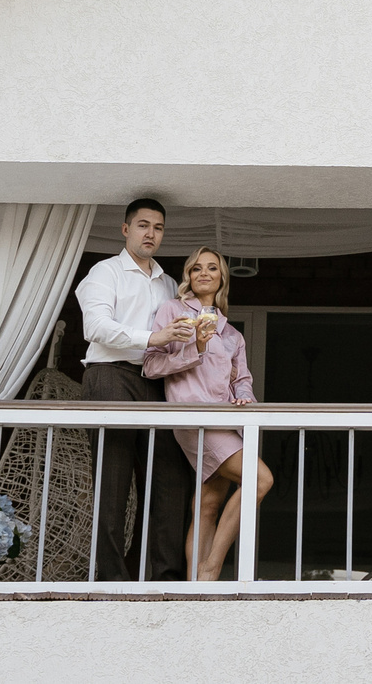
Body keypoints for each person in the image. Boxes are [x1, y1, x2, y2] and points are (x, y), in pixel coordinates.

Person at [73, 198, 190, 581]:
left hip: (157, 381)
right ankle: (109, 578)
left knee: (168, 480)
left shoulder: (170, 283)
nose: (150, 233)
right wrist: (153, 337)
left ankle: (164, 576)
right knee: (114, 478)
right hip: (110, 376)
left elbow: (176, 339)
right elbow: (96, 327)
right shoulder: (105, 272)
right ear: (126, 230)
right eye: (142, 225)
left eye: (157, 227)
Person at [144, 246, 273, 581]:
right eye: (196, 268)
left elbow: (242, 380)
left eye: (212, 268)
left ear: (221, 279)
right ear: (188, 276)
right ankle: (211, 567)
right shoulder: (171, 311)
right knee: (260, 479)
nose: (203, 273)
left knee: (208, 504)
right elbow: (152, 365)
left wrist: (244, 398)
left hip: (227, 420)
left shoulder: (231, 334)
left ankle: (194, 587)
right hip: (194, 418)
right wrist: (196, 348)